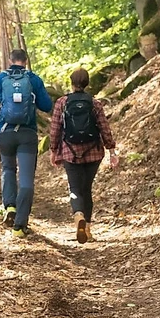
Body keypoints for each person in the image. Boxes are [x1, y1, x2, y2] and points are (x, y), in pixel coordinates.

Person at [0, 49, 53, 235]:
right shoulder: (33, 79)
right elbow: (47, 106)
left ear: (10, 60)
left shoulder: (1, 79)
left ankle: (10, 207)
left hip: (5, 133)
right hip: (27, 134)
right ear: (26, 61)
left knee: (7, 169)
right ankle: (20, 225)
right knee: (26, 178)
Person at [48, 67, 118, 243]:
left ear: (71, 83)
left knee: (75, 189)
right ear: (87, 83)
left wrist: (53, 150)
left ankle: (78, 215)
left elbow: (55, 129)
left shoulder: (62, 103)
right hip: (93, 153)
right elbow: (104, 128)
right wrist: (112, 151)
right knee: (87, 189)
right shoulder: (95, 103)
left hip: (70, 153)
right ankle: (87, 229)